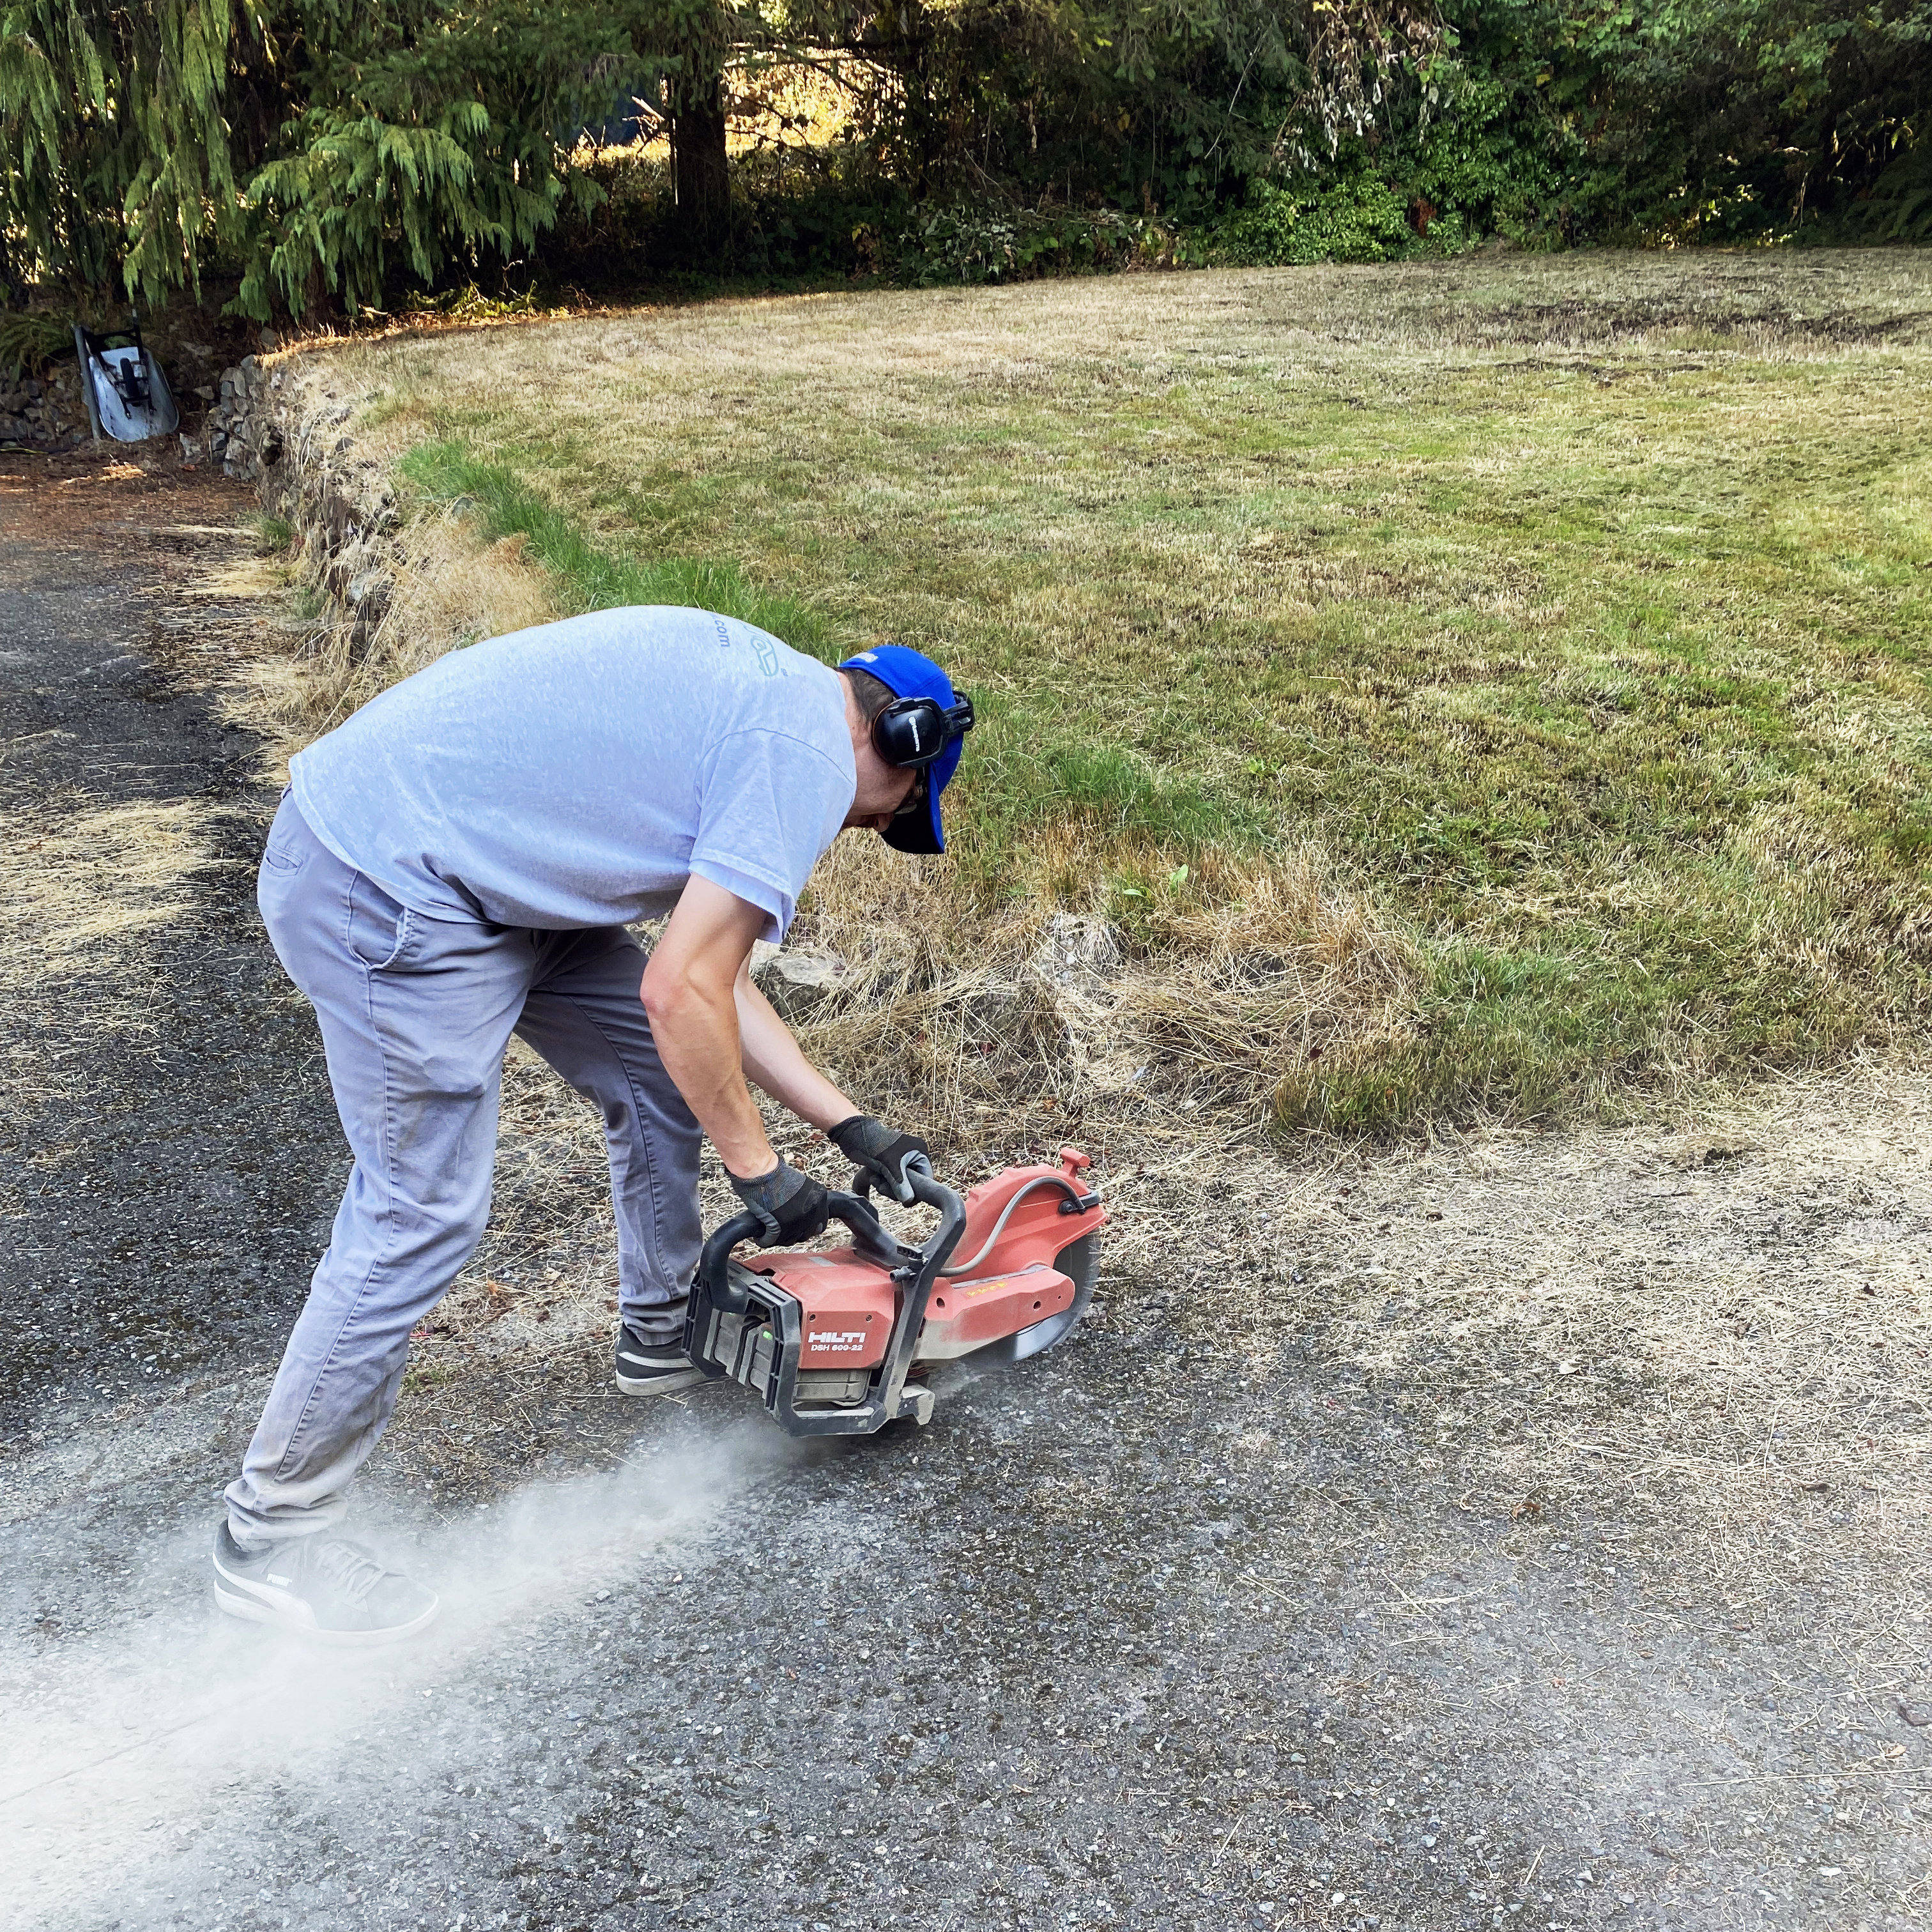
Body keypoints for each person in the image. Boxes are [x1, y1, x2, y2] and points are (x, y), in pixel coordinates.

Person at [210, 607, 972, 1644]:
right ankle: (272, 1540)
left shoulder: (774, 704)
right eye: (897, 811)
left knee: (658, 1078)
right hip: (387, 882)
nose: (876, 828)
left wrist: (852, 1130)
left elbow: (712, 982)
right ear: (900, 742)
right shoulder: (803, 759)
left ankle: (660, 1329)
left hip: (476, 873)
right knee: (418, 1216)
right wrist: (763, 1176)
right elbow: (681, 989)